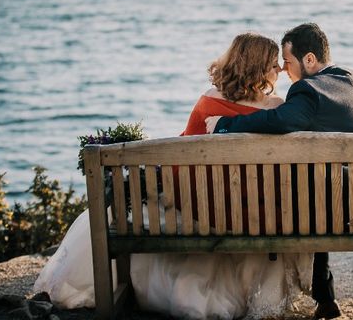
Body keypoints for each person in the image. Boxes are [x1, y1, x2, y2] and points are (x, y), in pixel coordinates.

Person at [34, 33, 312, 319]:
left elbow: (181, 168)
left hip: (200, 211)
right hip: (252, 213)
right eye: (273, 64)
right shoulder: (276, 108)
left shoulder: (207, 102)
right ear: (257, 68)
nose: (278, 69)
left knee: (124, 212)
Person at [206, 23, 353, 320]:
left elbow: (280, 121)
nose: (284, 70)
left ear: (309, 60)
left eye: (288, 62)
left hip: (334, 196)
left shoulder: (308, 89)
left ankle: (325, 300)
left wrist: (225, 125)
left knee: (313, 193)